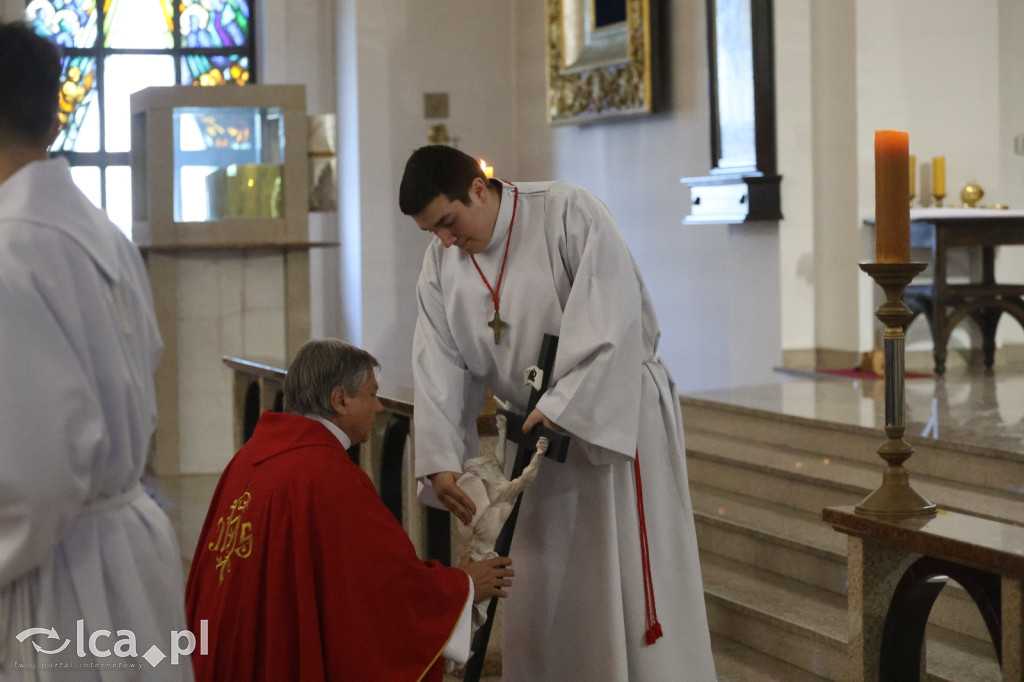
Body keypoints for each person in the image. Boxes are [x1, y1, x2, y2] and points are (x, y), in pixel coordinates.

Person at [400, 145, 717, 680]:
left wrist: (565, 405)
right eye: (434, 232)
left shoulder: (568, 213)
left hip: (607, 420)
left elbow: (612, 324)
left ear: (479, 187)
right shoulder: (441, 264)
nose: (447, 241)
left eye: (449, 223)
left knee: (619, 581)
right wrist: (440, 456)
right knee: (545, 591)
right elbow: (438, 361)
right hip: (530, 434)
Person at [0, 21, 191, 681]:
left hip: (55, 575)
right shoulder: (99, 232)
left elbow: (36, 478)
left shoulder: (9, 247)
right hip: (128, 550)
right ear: (54, 118)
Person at [185, 338, 513, 681]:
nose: (380, 407)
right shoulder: (327, 476)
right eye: (371, 394)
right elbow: (386, 590)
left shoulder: (248, 460)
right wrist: (464, 587)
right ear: (340, 400)